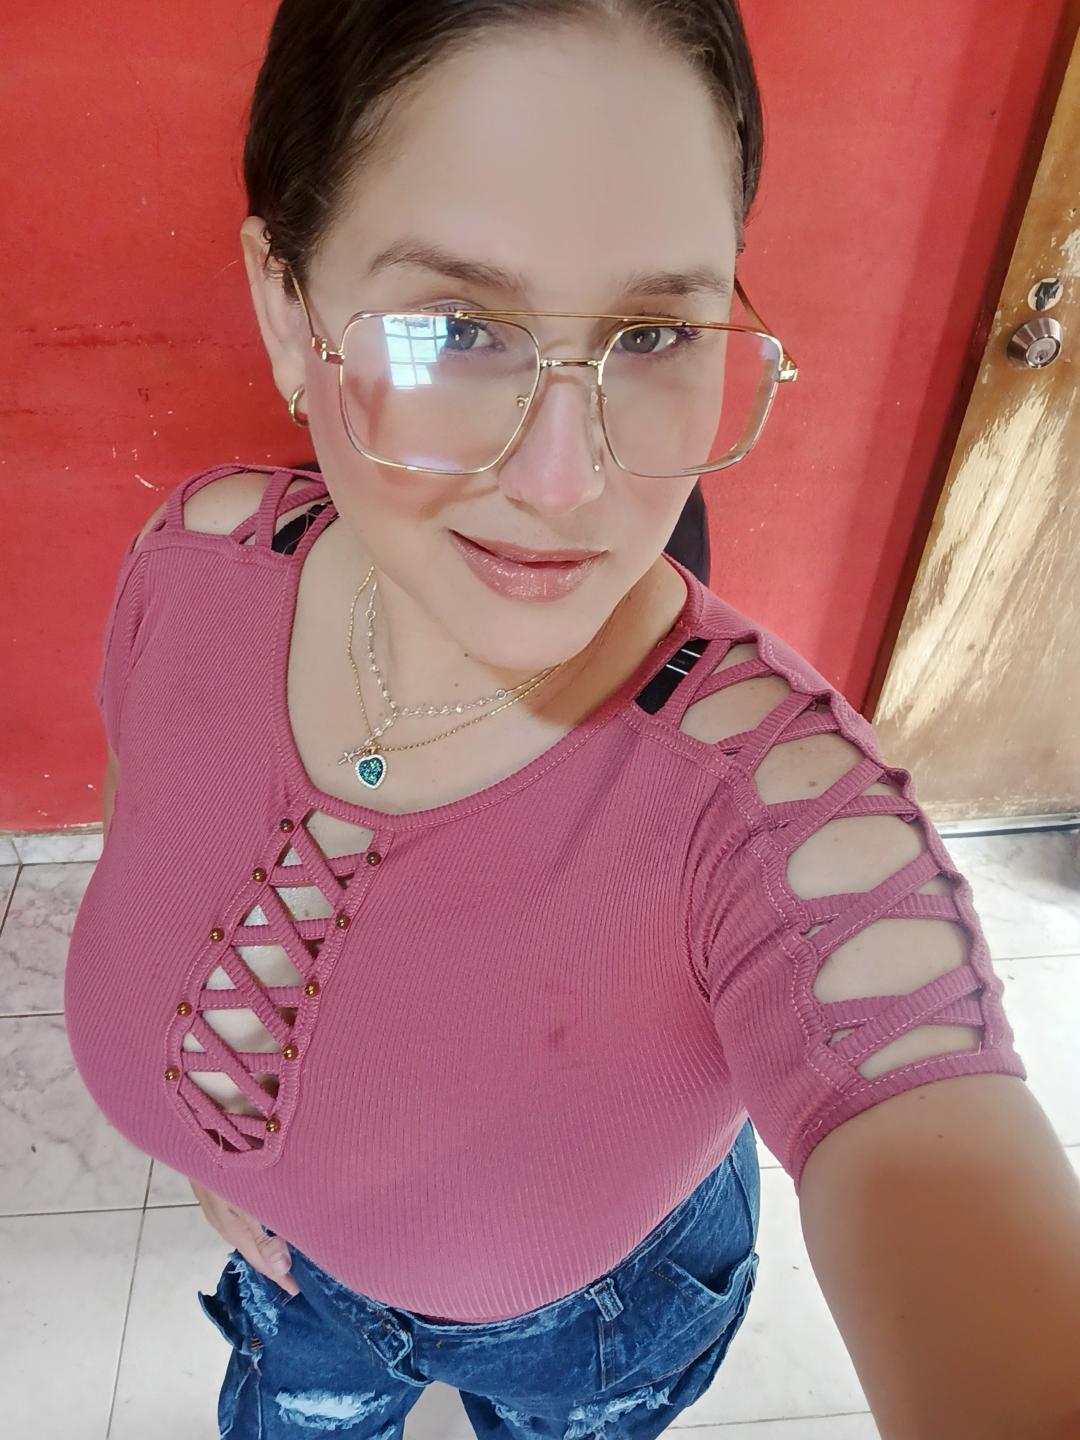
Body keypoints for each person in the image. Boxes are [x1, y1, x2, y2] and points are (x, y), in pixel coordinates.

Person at [66, 2, 1037, 1437]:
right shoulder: (200, 558)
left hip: (591, 1331)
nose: (568, 481)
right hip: (291, 1288)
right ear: (286, 306)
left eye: (654, 332)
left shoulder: (776, 808)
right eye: (457, 327)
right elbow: (150, 816)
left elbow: (927, 1132)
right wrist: (237, 1160)